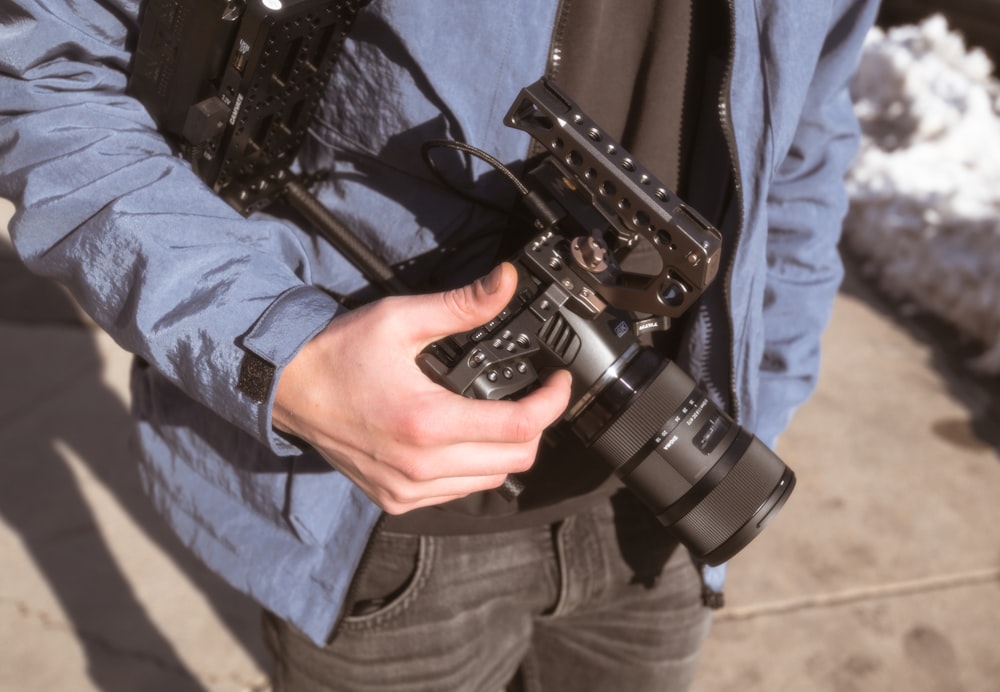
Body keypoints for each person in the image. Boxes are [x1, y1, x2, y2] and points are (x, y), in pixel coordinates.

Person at [0, 0, 880, 689]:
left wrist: (767, 382)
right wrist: (288, 357)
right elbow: (44, 71)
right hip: (374, 523)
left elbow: (806, 125)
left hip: (665, 508)